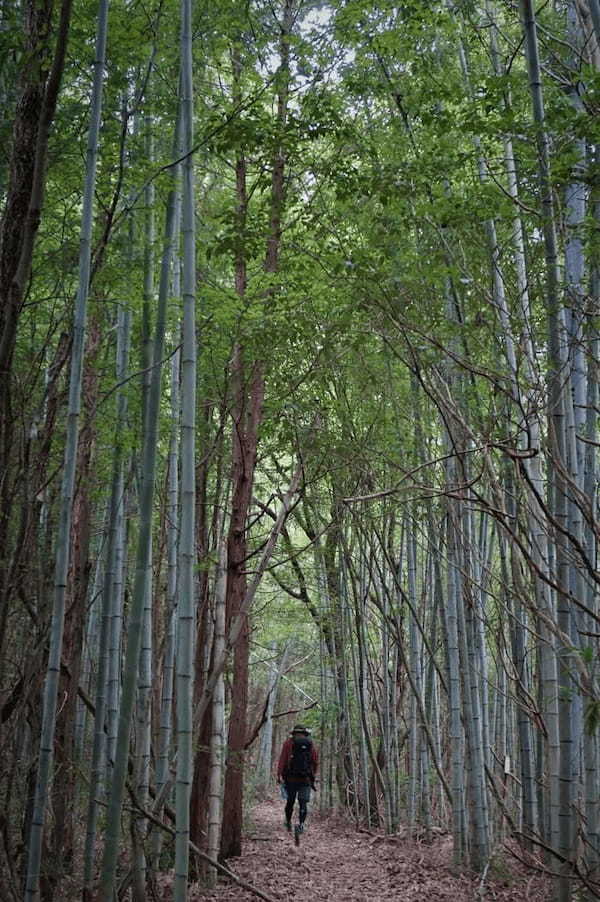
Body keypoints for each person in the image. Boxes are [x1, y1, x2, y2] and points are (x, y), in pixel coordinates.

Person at [277, 724, 318, 842]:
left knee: (290, 801)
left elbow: (282, 759)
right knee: (303, 803)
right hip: (305, 779)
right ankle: (300, 825)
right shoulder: (310, 744)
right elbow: (315, 761)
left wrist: (279, 774)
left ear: (293, 733)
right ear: (305, 733)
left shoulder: (288, 743)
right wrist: (312, 775)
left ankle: (288, 822)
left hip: (291, 778)